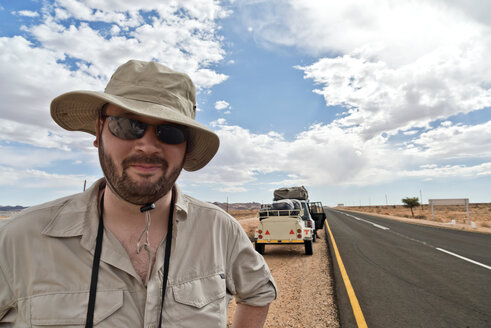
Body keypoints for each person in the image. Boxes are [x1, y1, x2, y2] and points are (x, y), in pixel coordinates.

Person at [0, 60, 277, 327]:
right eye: (128, 125)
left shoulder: (219, 229)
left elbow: (258, 292)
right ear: (99, 130)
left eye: (169, 132)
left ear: (186, 145)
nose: (147, 145)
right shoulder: (18, 240)